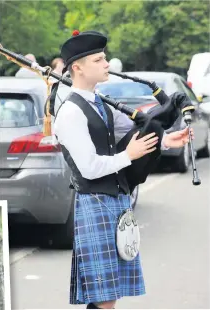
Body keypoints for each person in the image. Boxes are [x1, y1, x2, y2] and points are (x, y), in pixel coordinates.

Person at [54, 30, 194, 309]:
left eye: (105, 58)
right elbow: (90, 167)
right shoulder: (70, 113)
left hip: (116, 201)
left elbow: (128, 132)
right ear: (77, 68)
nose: (106, 64)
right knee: (104, 298)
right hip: (94, 203)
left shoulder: (99, 102)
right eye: (99, 59)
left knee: (110, 295)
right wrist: (128, 156)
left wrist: (166, 140)